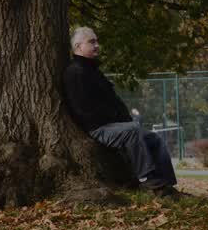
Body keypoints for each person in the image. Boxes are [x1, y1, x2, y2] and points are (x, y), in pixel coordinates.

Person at [61, 27, 177, 192]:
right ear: (79, 46)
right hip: (99, 129)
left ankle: (167, 183)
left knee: (154, 138)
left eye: (97, 41)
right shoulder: (75, 73)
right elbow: (84, 110)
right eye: (92, 42)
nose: (97, 45)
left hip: (116, 126)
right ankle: (147, 179)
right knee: (133, 130)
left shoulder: (92, 70)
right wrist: (116, 117)